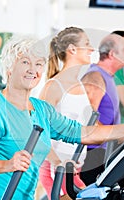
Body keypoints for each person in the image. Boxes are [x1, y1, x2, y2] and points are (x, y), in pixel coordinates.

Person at [0, 35, 124, 200]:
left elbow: (84, 133)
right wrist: (8, 164)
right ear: (9, 68)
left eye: (38, 64)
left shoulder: (41, 110)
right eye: (25, 62)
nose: (32, 69)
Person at [38, 27, 100, 199]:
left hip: (75, 168)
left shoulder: (78, 84)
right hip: (56, 170)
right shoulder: (54, 86)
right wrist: (57, 163)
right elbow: (37, 131)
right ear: (72, 49)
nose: (91, 49)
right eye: (86, 44)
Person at [80, 33, 124, 185]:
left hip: (104, 151)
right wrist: (120, 134)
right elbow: (88, 122)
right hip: (92, 155)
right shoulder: (95, 77)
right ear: (112, 54)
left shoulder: (108, 77)